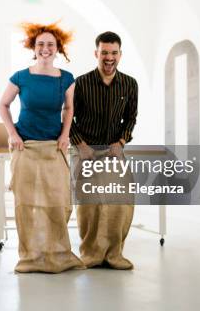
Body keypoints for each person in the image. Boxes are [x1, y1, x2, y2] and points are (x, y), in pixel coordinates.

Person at [0, 22, 84, 273]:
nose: (45, 48)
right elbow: (3, 105)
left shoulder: (67, 79)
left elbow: (69, 109)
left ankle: (57, 253)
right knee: (26, 203)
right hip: (26, 146)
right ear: (33, 48)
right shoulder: (21, 77)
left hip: (53, 147)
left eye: (50, 44)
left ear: (58, 49)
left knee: (59, 202)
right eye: (40, 45)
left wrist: (65, 134)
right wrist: (12, 133)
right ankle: (30, 257)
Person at [70, 31, 138, 269]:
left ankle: (114, 254)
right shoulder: (80, 83)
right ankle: (91, 254)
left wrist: (121, 143)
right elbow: (68, 118)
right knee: (91, 203)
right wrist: (81, 145)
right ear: (96, 53)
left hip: (113, 150)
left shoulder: (130, 84)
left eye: (114, 53)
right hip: (85, 149)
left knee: (122, 200)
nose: (109, 58)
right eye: (104, 53)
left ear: (120, 54)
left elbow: (131, 119)